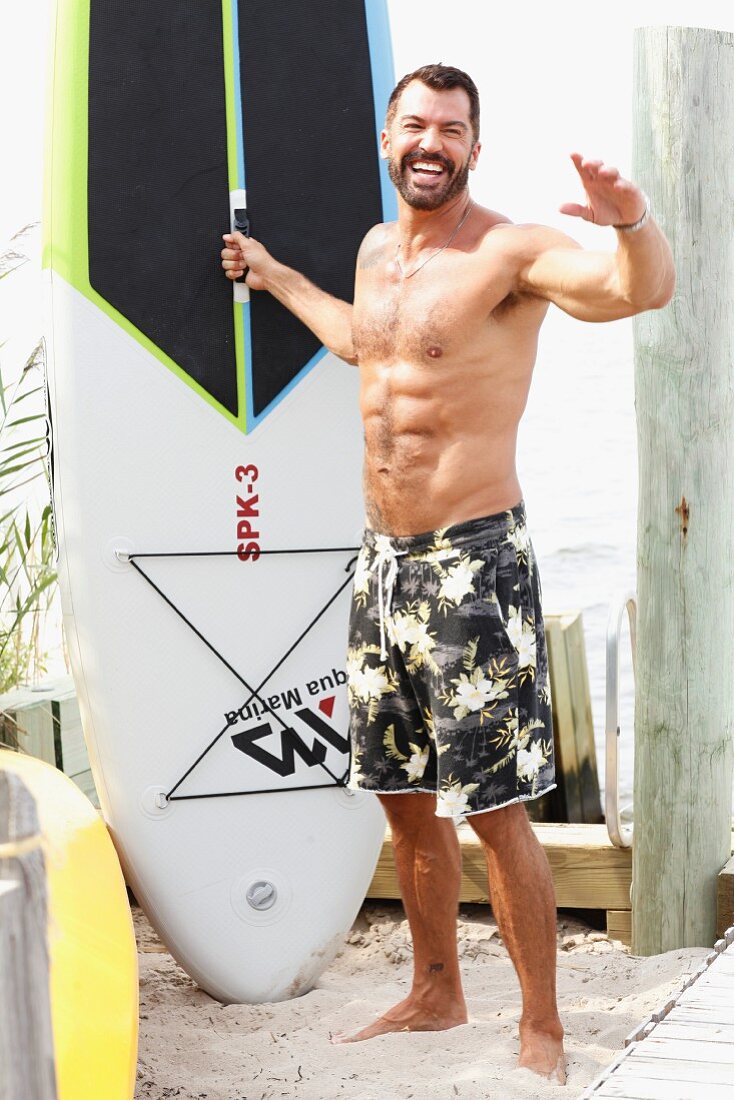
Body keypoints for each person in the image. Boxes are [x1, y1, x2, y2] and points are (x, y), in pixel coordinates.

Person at [221, 64, 675, 1084]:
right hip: (380, 563)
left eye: (451, 128)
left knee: (493, 806)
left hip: (472, 565)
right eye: (414, 124)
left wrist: (629, 221)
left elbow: (633, 292)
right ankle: (435, 988)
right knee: (399, 794)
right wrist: (276, 275)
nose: (431, 141)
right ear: (387, 141)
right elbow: (364, 349)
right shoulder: (377, 251)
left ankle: (542, 1027)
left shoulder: (509, 252)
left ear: (475, 147)